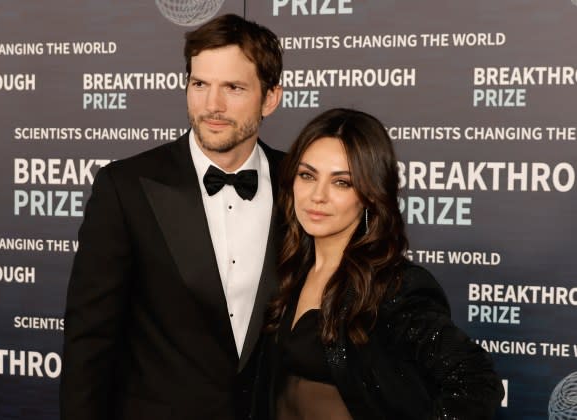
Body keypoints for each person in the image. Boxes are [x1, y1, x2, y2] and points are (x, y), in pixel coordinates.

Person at [60, 14, 284, 420]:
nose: (211, 105)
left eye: (233, 87)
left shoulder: (301, 186)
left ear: (270, 98)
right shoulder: (125, 187)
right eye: (200, 84)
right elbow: (89, 342)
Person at [253, 108, 504, 420]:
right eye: (307, 175)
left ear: (370, 195)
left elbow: (477, 381)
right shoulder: (289, 270)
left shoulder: (394, 286)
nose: (317, 196)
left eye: (341, 182)